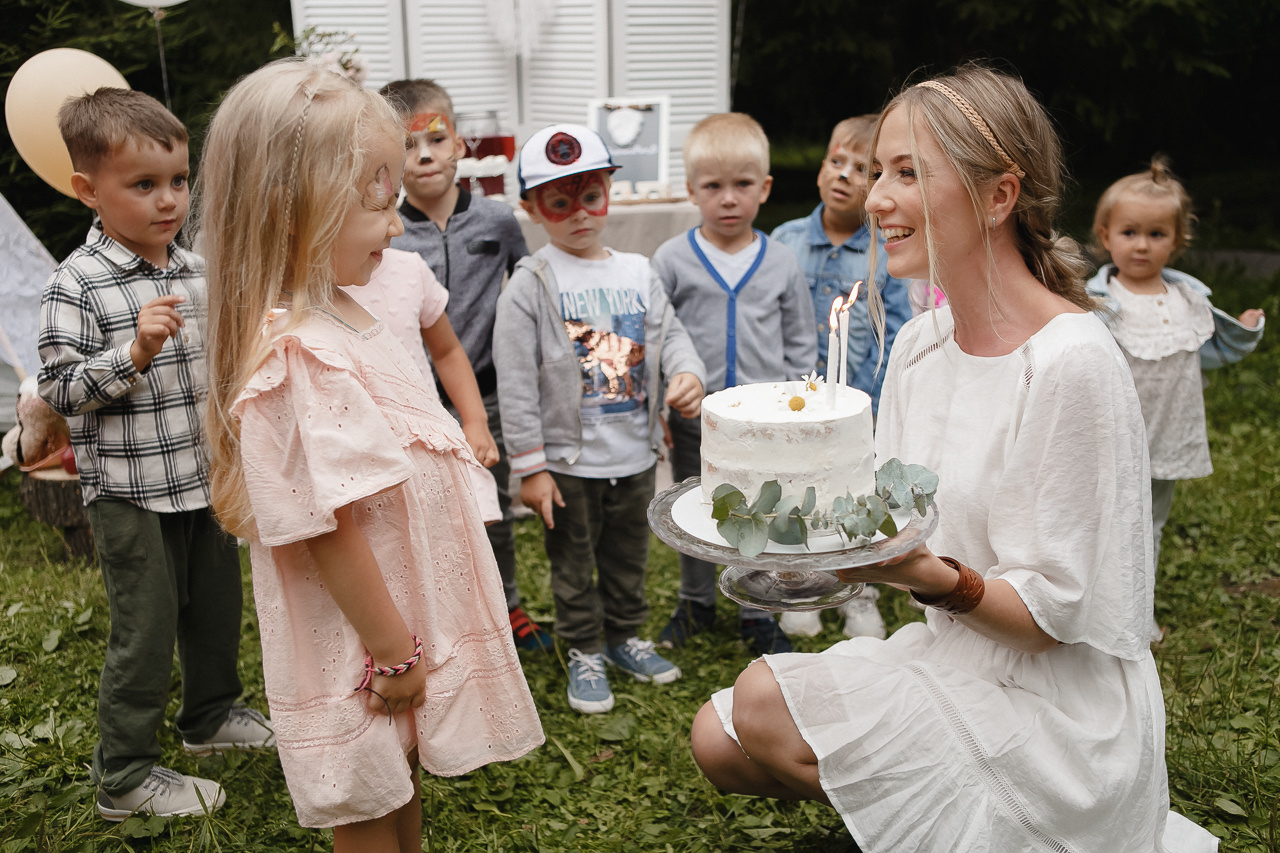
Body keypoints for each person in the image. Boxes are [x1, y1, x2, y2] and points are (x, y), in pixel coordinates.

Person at [689, 65, 1220, 853]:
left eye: (908, 173)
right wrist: (812, 549)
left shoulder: (1070, 362)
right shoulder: (919, 345)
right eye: (877, 171)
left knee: (761, 707)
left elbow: (1053, 622)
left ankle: (1030, 827)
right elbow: (889, 520)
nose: (874, 198)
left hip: (1057, 705)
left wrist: (934, 578)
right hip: (950, 656)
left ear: (1000, 195)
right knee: (719, 734)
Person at [199, 61, 543, 850]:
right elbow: (326, 525)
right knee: (366, 798)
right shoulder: (297, 354)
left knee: (402, 779)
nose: (396, 227)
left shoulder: (348, 310)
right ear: (294, 213)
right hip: (362, 640)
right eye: (380, 203)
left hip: (393, 618)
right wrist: (394, 652)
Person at [38, 87, 273, 822]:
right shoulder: (74, 283)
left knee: (215, 610)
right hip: (129, 490)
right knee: (144, 631)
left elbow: (222, 363)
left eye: (177, 180)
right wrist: (131, 352)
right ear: (88, 190)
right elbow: (59, 390)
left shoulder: (197, 271)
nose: (168, 200)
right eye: (143, 185)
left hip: (200, 478)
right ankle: (125, 777)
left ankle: (209, 715)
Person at [494, 124, 706, 714]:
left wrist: (686, 374)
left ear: (609, 192)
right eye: (559, 203)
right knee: (572, 560)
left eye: (591, 197)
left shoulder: (638, 272)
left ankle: (626, 634)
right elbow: (514, 384)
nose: (579, 215)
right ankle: (584, 647)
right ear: (532, 208)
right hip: (567, 464)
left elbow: (674, 338)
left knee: (627, 553)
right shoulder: (530, 284)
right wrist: (531, 469)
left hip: (634, 454)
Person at [378, 78, 551, 652]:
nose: (424, 155)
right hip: (414, 400)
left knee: (490, 507)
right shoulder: (387, 236)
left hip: (487, 393)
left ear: (460, 145)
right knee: (427, 512)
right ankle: (446, 614)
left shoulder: (497, 222)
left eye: (436, 139)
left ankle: (507, 608)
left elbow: (528, 289)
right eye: (407, 145)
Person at [651, 113, 817, 656]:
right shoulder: (672, 260)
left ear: (765, 188)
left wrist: (798, 404)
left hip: (762, 424)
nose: (728, 199)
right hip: (696, 418)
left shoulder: (781, 262)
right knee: (695, 509)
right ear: (691, 191)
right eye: (713, 187)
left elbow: (800, 340)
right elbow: (657, 335)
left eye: (743, 185)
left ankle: (756, 607)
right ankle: (695, 600)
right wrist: (663, 402)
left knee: (759, 512)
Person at [771, 114, 914, 641]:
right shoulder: (783, 240)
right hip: (793, 403)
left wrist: (875, 401)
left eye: (862, 169)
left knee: (853, 495)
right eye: (837, 161)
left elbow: (896, 331)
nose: (844, 176)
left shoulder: (884, 247)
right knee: (795, 490)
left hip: (860, 403)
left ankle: (859, 589)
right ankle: (800, 580)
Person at [1086, 158, 1264, 570]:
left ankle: (1138, 609)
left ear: (1177, 240)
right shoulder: (1096, 302)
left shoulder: (1188, 300)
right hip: (1110, 434)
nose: (1142, 245)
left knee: (1150, 522)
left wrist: (1243, 329)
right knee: (1102, 521)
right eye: (1129, 233)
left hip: (1166, 434)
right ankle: (1095, 602)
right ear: (1106, 235)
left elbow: (1209, 349)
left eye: (1156, 234)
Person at [339, 247, 502, 523]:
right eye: (378, 209)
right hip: (354, 458)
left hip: (428, 442)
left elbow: (446, 351)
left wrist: (475, 419)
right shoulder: (291, 286)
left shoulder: (409, 268)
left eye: (393, 206)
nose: (397, 224)